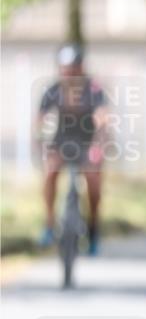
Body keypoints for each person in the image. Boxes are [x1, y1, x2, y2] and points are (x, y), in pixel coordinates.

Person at [38, 44, 107, 256]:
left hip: (87, 143)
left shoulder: (93, 89)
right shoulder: (53, 90)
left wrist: (98, 143)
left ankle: (93, 230)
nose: (68, 73)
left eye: (72, 69)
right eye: (65, 69)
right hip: (61, 142)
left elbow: (102, 117)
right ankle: (49, 224)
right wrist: (40, 139)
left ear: (80, 68)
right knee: (49, 173)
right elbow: (41, 119)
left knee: (93, 182)